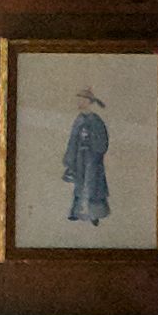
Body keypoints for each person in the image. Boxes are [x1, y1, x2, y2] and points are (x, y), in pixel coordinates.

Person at [62, 87, 113, 229]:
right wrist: (70, 159)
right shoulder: (78, 120)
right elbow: (73, 140)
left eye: (83, 100)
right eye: (79, 100)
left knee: (93, 186)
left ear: (89, 102)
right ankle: (77, 212)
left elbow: (103, 142)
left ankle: (94, 215)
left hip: (93, 159)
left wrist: (91, 143)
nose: (80, 102)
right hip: (80, 158)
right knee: (80, 185)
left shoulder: (96, 120)